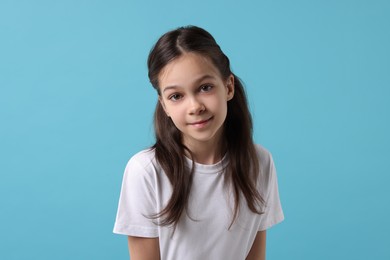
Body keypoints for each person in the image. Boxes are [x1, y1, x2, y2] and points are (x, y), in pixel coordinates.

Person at [113, 25, 284, 260]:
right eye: (176, 96)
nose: (195, 107)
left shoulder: (259, 162)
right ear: (164, 105)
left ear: (228, 86)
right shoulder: (145, 171)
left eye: (205, 88)